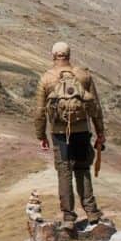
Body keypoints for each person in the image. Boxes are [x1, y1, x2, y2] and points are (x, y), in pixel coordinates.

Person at [34, 41, 105, 229]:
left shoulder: (46, 79)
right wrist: (100, 133)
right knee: (83, 171)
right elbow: (96, 108)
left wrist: (41, 136)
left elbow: (40, 112)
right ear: (69, 55)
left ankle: (68, 218)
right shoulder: (83, 75)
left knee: (64, 173)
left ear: (53, 55)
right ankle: (92, 213)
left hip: (59, 134)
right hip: (82, 132)